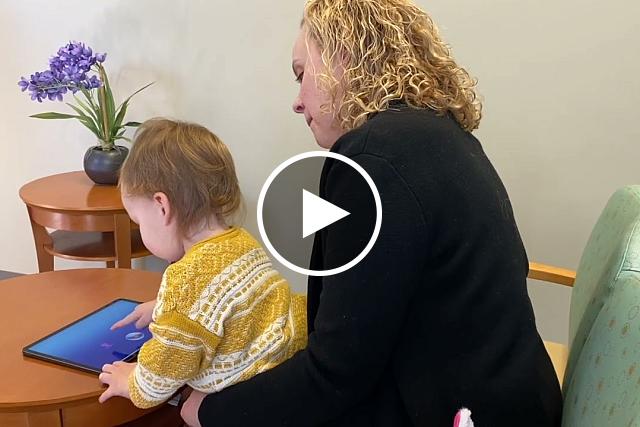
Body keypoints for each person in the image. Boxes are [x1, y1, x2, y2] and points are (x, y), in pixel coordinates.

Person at [181, 0, 563, 425]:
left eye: (301, 75)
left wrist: (211, 411)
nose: (297, 102)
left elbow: (336, 375)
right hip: (510, 394)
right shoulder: (434, 133)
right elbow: (363, 315)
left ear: (341, 58)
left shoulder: (371, 159)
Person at [97, 119, 307, 409]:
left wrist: (131, 380)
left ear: (162, 206)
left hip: (251, 392)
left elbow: (164, 371)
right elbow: (218, 306)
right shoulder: (239, 241)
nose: (140, 230)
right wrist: (162, 308)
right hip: (289, 362)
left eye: (138, 222)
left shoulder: (184, 276)